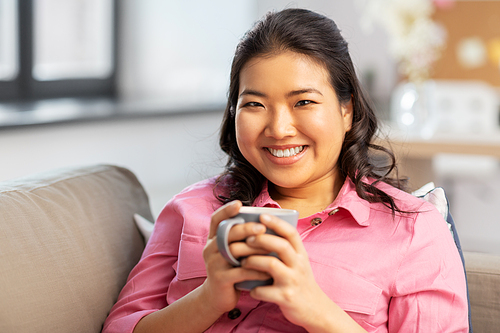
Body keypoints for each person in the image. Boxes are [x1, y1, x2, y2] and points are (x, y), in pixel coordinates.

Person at [103, 8, 469, 333]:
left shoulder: (413, 229)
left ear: (346, 110)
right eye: (255, 104)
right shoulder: (191, 208)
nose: (279, 129)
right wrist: (208, 299)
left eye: (304, 102)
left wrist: (317, 310)